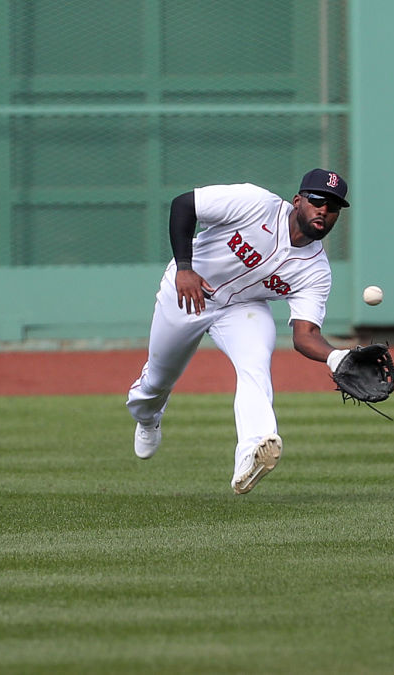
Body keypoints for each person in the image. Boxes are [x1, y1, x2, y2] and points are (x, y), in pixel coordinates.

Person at [126, 168, 357, 494]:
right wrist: (184, 268)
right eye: (317, 200)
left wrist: (336, 357)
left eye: (333, 207)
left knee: (256, 364)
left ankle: (253, 450)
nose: (324, 210)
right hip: (190, 290)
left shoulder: (316, 270)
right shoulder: (255, 204)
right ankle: (148, 417)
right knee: (157, 380)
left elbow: (305, 335)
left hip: (242, 309)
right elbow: (184, 205)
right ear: (297, 201)